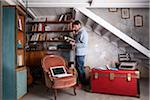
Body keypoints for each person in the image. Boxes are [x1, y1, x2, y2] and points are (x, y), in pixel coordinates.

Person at [70, 20, 88, 85]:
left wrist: (74, 44)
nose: (74, 28)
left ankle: (84, 83)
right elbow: (78, 41)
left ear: (79, 25)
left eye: (75, 27)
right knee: (78, 67)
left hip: (81, 53)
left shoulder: (83, 33)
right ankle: (81, 82)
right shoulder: (79, 32)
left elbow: (84, 44)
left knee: (80, 68)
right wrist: (74, 35)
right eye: (73, 27)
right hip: (78, 53)